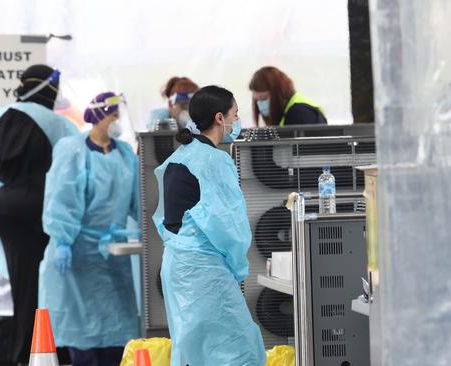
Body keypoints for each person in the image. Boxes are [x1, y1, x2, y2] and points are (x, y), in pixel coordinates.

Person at [153, 85, 266, 365]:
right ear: (219, 118)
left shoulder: (180, 156)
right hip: (206, 273)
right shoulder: (215, 161)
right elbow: (227, 224)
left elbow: (168, 220)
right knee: (238, 351)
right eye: (235, 114)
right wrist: (238, 265)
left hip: (177, 268)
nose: (237, 121)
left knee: (193, 351)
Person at [0, 64, 78, 365]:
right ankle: (45, 354)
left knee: (23, 287)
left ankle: (24, 354)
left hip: (3, 206)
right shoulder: (58, 125)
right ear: (51, 91)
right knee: (46, 288)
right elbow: (72, 174)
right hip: (40, 208)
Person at [39, 92, 140, 366]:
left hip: (113, 255)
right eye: (113, 114)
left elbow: (138, 202)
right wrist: (62, 240)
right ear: (99, 116)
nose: (117, 120)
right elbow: (62, 197)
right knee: (82, 331)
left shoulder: (125, 156)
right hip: (76, 254)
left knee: (117, 331)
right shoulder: (73, 150)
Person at [249, 66, 327, 127]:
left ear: (278, 93)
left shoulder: (300, 113)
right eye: (257, 100)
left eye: (264, 98)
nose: (260, 104)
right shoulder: (287, 111)